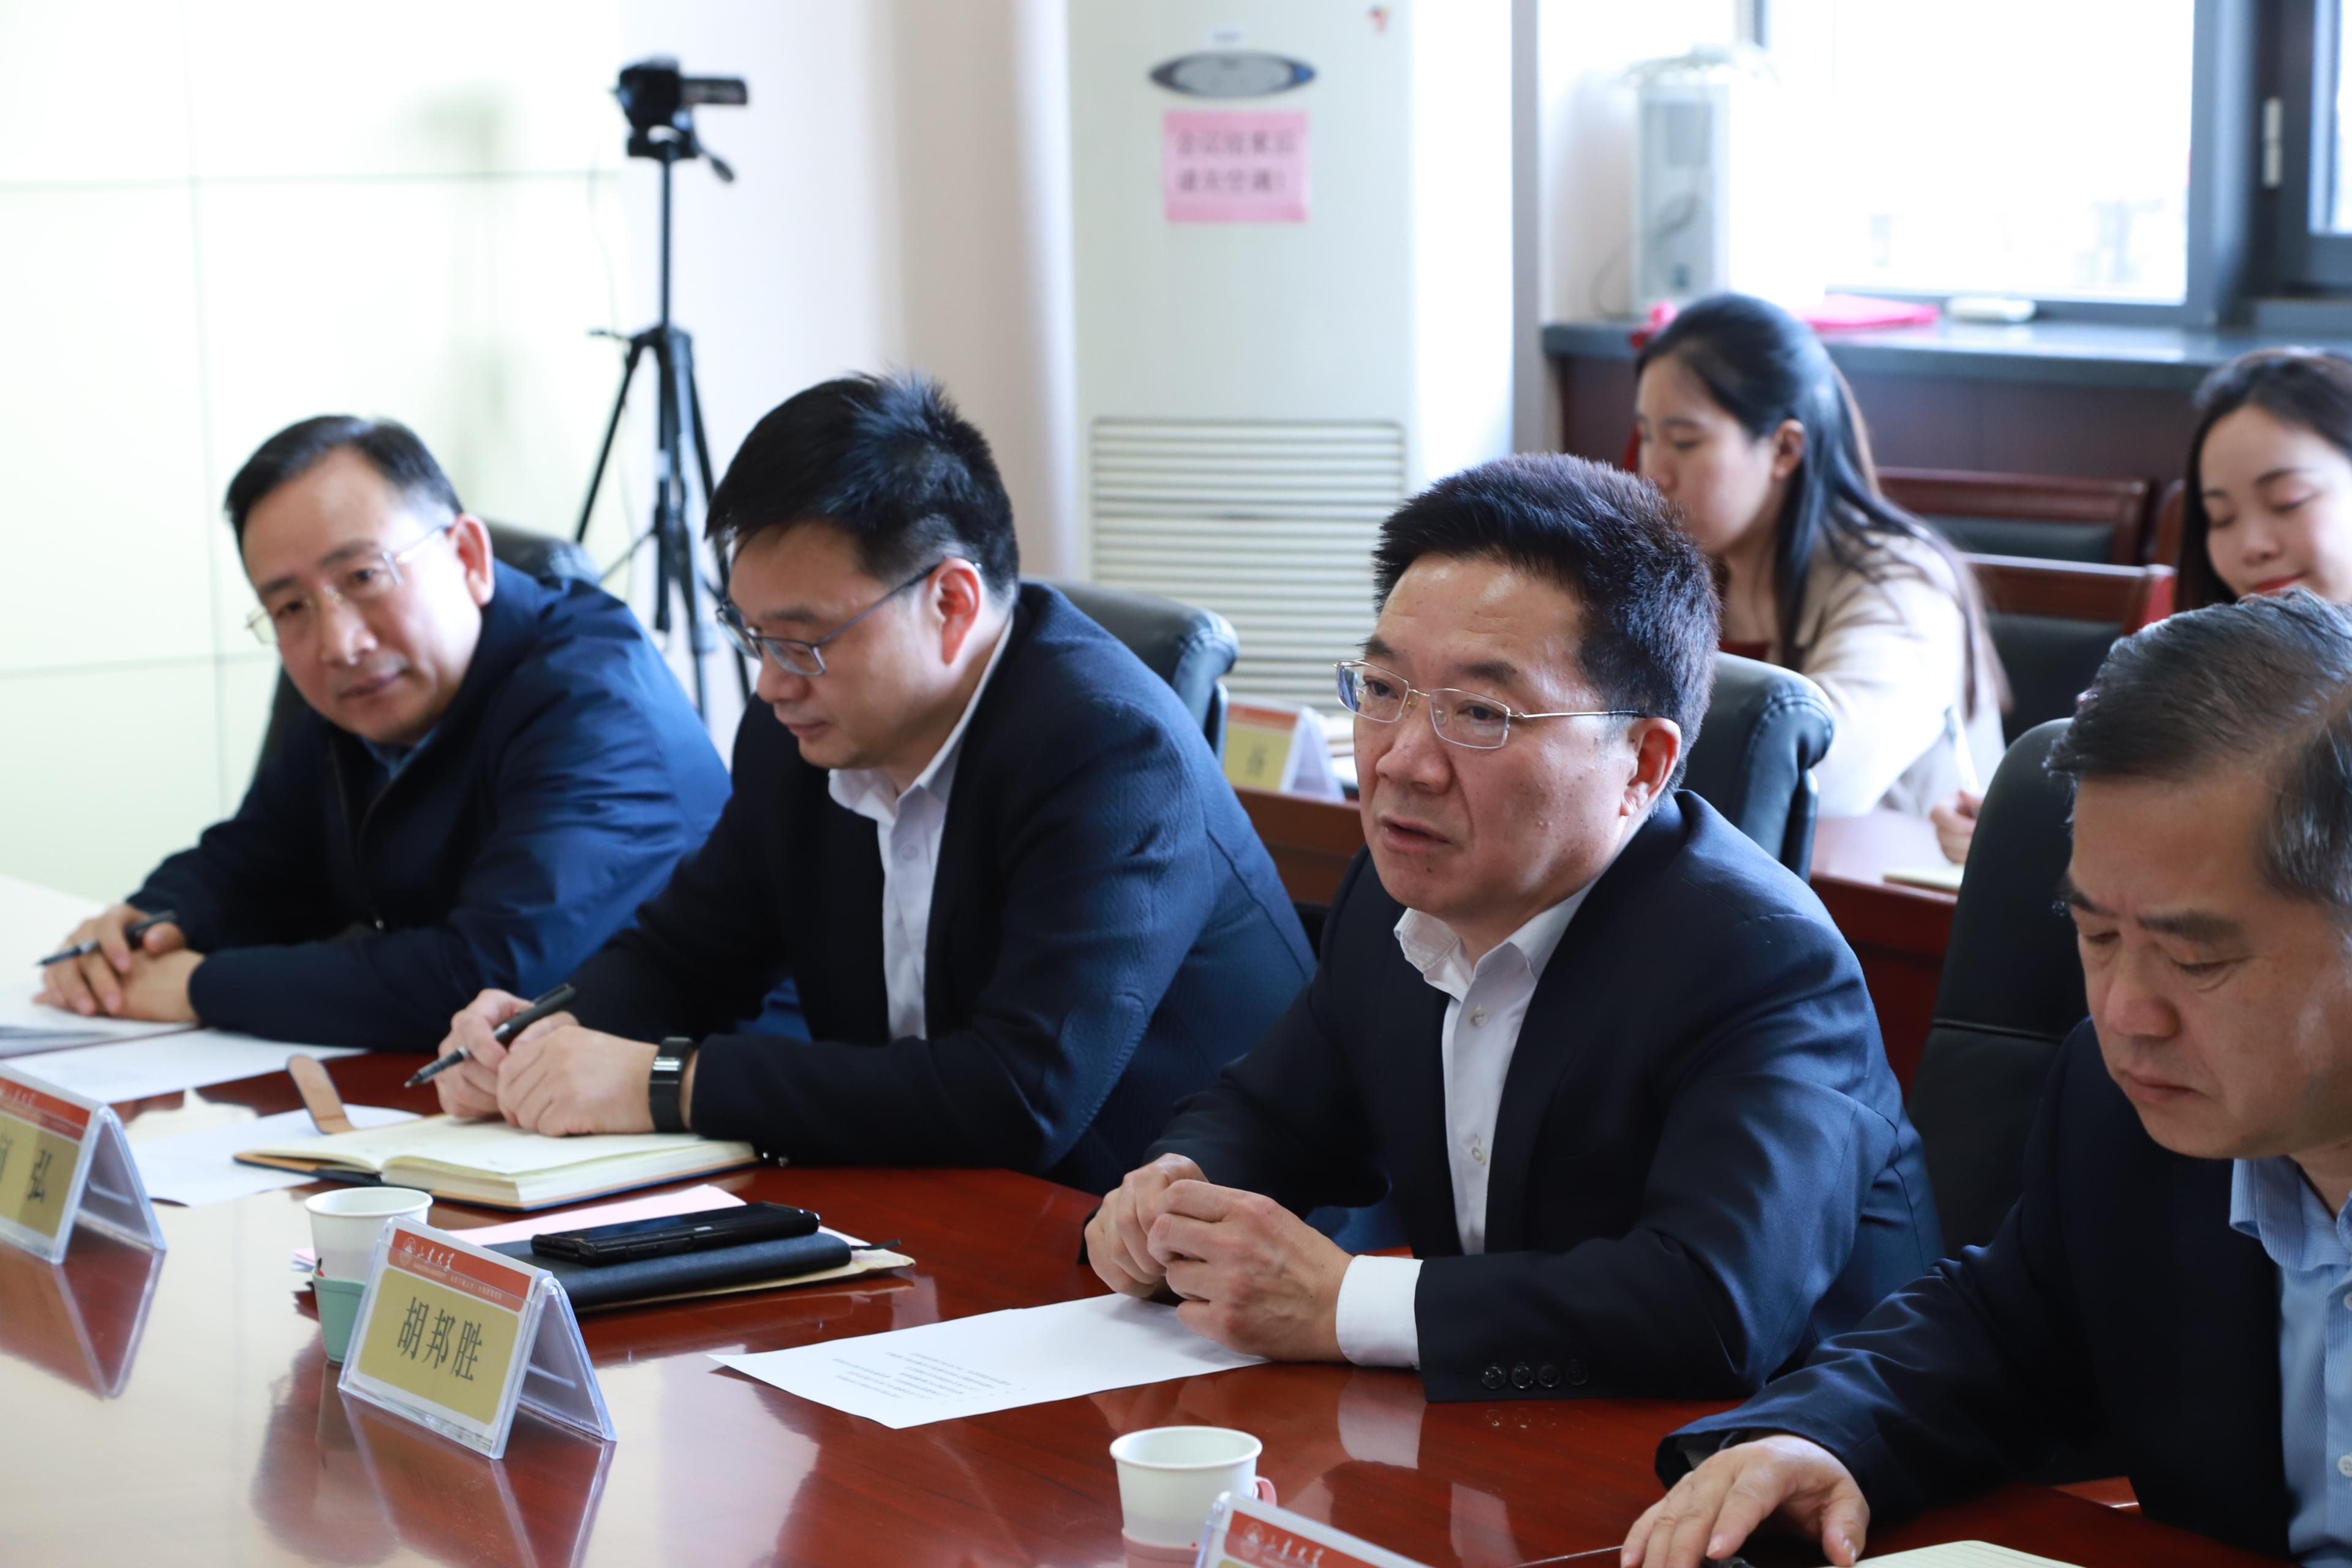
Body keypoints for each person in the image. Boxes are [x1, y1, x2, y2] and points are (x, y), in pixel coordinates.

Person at [1084, 454, 1940, 1397]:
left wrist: (1343, 1302)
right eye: (1383, 690)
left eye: (1481, 712)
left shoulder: (1764, 963)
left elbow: (1712, 1303)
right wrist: (1175, 1190)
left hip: (1773, 1454)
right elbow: (1270, 1113)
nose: (1402, 762)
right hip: (1504, 1431)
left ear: (1642, 765)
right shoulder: (1399, 894)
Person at [429, 372, 1313, 1194]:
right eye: (752, 635)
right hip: (922, 1206)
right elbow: (685, 955)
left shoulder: (1110, 750)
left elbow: (1020, 1095)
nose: (771, 683)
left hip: (1170, 1245)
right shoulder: (800, 734)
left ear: (952, 604)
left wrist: (665, 1081)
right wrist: (542, 1036)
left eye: (802, 641)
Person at [1624, 590, 2352, 1568]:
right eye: (2097, 936)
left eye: (2197, 959)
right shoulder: (2117, 1104)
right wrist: (1818, 1439)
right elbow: (2000, 1331)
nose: (2125, 1013)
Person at [36, 417, 728, 1049]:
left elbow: (494, 975)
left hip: (689, 1106)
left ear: (468, 557)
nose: (338, 642)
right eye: (290, 607)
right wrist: (147, 926)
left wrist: (196, 987)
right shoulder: (368, 689)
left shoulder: (595, 700)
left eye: (365, 575)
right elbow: (258, 859)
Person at [1934, 345, 2352, 864]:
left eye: (2289, 500)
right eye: (2221, 519)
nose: (2251, 545)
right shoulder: (2191, 683)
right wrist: (2018, 831)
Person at [1633, 293, 2003, 843]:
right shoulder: (1688, 570)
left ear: (1785, 449)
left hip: (1879, 887)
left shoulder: (1900, 584)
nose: (1654, 471)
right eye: (1646, 436)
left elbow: (1825, 770)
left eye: (1685, 441)